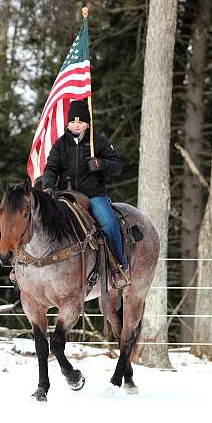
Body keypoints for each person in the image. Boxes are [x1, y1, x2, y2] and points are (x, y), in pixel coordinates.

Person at [42, 99, 130, 288]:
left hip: (93, 194)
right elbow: (51, 168)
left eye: (80, 122)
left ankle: (118, 267)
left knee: (108, 223)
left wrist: (101, 164)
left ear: (87, 123)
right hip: (66, 194)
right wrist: (48, 185)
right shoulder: (60, 144)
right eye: (72, 122)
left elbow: (117, 166)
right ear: (67, 123)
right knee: (43, 220)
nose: (76, 126)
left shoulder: (97, 141)